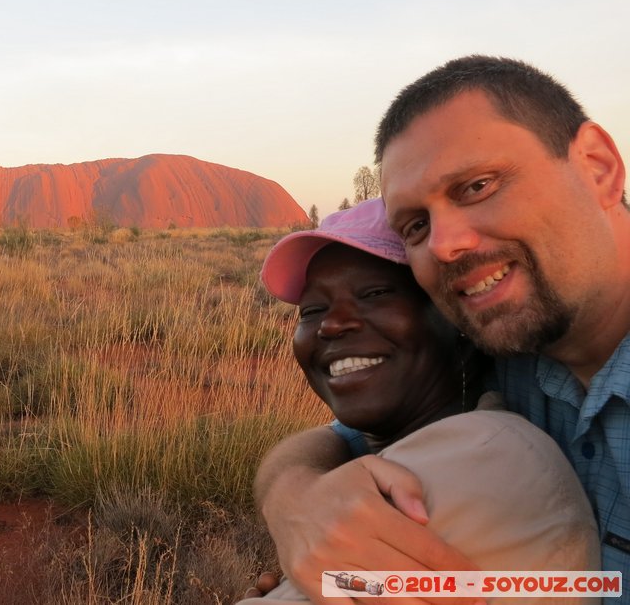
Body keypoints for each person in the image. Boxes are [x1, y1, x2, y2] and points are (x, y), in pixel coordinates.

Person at [254, 55, 630, 602]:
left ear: (598, 166)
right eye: (415, 225)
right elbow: (340, 439)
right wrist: (294, 500)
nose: (445, 244)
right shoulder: (506, 345)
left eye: (477, 186)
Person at [237, 199, 597, 604]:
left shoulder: (473, 461)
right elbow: (334, 437)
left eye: (375, 293)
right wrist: (289, 490)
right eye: (312, 309)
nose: (332, 324)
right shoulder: (422, 437)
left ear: (460, 324)